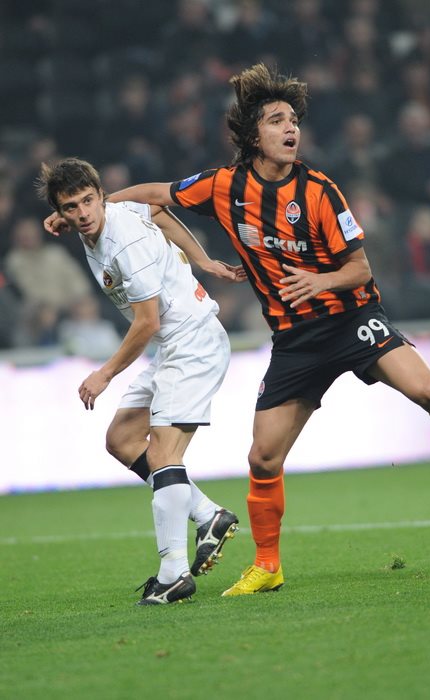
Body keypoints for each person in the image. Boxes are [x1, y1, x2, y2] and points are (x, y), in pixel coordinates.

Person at [49, 64, 430, 598]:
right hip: (295, 342)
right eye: (276, 120)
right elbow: (155, 194)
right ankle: (268, 566)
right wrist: (94, 209)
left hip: (351, 319)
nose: (291, 128)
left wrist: (320, 280)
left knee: (428, 391)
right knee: (262, 457)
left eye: (293, 120)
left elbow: (360, 269)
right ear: (253, 136)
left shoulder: (319, 191)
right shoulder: (225, 186)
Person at [38, 157, 245, 605]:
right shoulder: (114, 212)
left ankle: (173, 574)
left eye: (88, 201)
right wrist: (202, 260)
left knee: (164, 455)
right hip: (174, 346)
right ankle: (207, 514)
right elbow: (156, 210)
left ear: (100, 195)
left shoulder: (123, 243)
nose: (83, 213)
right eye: (71, 207)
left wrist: (105, 373)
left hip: (192, 342)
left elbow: (147, 322)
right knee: (122, 439)